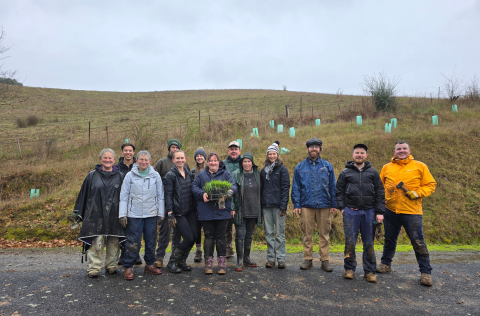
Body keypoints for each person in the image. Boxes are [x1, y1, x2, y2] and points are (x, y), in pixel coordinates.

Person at [376, 140, 437, 286]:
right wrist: (380, 206)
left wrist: (417, 193)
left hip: (412, 211)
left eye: (404, 148)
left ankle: (425, 272)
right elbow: (380, 188)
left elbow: (431, 185)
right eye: (398, 149)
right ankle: (386, 264)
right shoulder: (387, 167)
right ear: (394, 151)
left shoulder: (419, 166)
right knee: (389, 239)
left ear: (409, 151)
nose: (401, 151)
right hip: (390, 210)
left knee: (417, 241)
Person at [336, 144, 385, 283]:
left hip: (369, 212)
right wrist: (342, 208)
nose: (359, 155)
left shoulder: (373, 173)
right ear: (353, 155)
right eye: (357, 153)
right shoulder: (345, 172)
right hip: (351, 211)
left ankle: (369, 271)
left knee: (369, 242)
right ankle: (349, 269)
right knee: (350, 242)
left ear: (366, 155)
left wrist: (380, 212)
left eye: (362, 153)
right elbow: (338, 191)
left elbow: (380, 193)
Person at [73, 148, 126, 278]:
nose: (107, 160)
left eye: (110, 158)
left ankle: (111, 265)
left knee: (114, 241)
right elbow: (83, 195)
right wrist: (78, 213)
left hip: (115, 214)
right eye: (105, 158)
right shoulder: (91, 176)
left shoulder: (121, 176)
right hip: (95, 215)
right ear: (100, 159)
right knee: (97, 241)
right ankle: (94, 268)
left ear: (114, 160)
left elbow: (127, 196)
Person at [291, 138, 338, 272]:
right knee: (307, 233)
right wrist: (296, 205)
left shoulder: (327, 166)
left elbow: (332, 186)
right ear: (307, 149)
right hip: (306, 205)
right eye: (311, 147)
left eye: (316, 147)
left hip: (324, 205)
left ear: (320, 149)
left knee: (324, 234)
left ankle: (325, 260)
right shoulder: (300, 167)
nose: (314, 149)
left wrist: (334, 204)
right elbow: (296, 187)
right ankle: (308, 259)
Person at [119, 150, 164, 280]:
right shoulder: (130, 176)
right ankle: (128, 267)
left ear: (150, 161)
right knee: (133, 242)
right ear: (136, 161)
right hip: (134, 215)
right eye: (141, 159)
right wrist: (122, 215)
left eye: (146, 160)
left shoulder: (155, 176)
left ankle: (149, 265)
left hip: (151, 214)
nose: (144, 162)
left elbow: (160, 196)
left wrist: (161, 214)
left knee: (151, 241)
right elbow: (124, 196)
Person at [192, 152, 237, 274]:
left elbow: (234, 185)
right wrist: (202, 194)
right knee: (209, 237)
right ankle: (209, 262)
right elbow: (194, 187)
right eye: (211, 161)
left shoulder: (225, 173)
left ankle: (222, 263)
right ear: (207, 162)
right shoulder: (201, 175)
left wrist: (230, 192)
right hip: (206, 211)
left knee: (221, 236)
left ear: (219, 162)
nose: (213, 163)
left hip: (222, 211)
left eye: (215, 160)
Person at [153, 139, 190, 268]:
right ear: (169, 149)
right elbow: (154, 179)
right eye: (172, 147)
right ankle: (160, 256)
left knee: (177, 233)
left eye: (177, 147)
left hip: (180, 206)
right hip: (165, 202)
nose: (174, 149)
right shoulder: (162, 163)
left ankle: (175, 256)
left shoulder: (185, 165)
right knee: (165, 230)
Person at [164, 150, 198, 273]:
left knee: (194, 236)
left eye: (181, 158)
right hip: (178, 213)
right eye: (177, 158)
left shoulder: (188, 174)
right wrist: (170, 213)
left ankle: (182, 261)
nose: (180, 160)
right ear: (173, 160)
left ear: (185, 159)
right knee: (188, 237)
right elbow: (168, 195)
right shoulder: (170, 176)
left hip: (189, 211)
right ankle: (172, 262)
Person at [260, 141, 290, 269]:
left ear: (277, 155)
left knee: (280, 234)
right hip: (266, 206)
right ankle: (271, 258)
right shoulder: (263, 171)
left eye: (274, 154)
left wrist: (284, 206)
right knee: (269, 234)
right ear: (267, 155)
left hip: (278, 207)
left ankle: (281, 259)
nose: (272, 156)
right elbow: (261, 189)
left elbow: (285, 188)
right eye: (270, 154)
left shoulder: (282, 170)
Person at [232, 152, 262, 271]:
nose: (247, 164)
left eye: (249, 161)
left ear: (252, 163)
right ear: (241, 163)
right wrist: (232, 207)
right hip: (240, 210)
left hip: (253, 209)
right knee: (240, 234)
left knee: (249, 235)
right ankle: (239, 260)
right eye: (244, 161)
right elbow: (232, 192)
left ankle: (246, 258)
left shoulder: (257, 174)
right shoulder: (236, 174)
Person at [117, 143, 142, 266]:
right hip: (121, 201)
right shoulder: (117, 167)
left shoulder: (139, 166)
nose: (128, 152)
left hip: (135, 202)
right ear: (122, 152)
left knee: (134, 230)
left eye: (130, 150)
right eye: (126, 150)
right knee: (122, 229)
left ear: (133, 152)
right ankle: (123, 254)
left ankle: (135, 254)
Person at [223, 141, 242, 258]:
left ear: (239, 151)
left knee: (240, 227)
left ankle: (241, 251)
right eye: (231, 149)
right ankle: (228, 249)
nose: (234, 151)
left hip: (241, 199)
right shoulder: (223, 163)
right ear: (228, 151)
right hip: (227, 199)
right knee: (227, 227)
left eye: (236, 149)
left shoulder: (244, 162)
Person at [191, 147, 207, 262]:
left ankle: (208, 252)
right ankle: (198, 251)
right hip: (195, 204)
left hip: (207, 204)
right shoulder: (192, 172)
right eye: (197, 156)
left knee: (207, 229)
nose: (199, 157)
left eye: (201, 155)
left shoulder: (209, 170)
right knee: (196, 229)